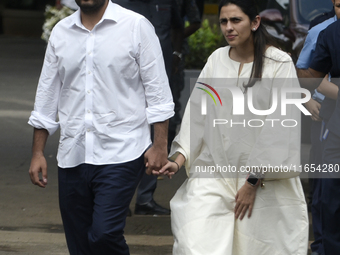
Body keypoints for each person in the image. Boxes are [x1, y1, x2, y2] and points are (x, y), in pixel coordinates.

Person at [157, 0, 309, 254]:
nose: (228, 27)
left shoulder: (278, 63)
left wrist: (251, 184)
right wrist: (179, 159)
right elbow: (198, 113)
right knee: (196, 244)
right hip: (214, 173)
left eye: (236, 20)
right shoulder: (216, 59)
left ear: (255, 22)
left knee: (259, 247)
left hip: (264, 182)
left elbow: (280, 129)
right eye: (223, 22)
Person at [28, 0, 174, 254]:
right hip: (73, 153)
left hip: (123, 151)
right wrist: (38, 152)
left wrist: (159, 145)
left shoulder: (136, 26)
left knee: (104, 234)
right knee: (79, 244)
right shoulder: (61, 32)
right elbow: (47, 96)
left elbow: (158, 93)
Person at [112, 0, 183, 215]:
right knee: (123, 132)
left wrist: (176, 54)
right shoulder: (116, 4)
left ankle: (145, 197)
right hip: (126, 83)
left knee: (163, 132)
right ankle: (117, 198)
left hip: (162, 76)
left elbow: (179, 26)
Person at [296, 1, 339, 254]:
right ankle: (322, 245)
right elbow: (307, 75)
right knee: (326, 188)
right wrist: (308, 101)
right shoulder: (324, 31)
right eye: (338, 4)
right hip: (327, 117)